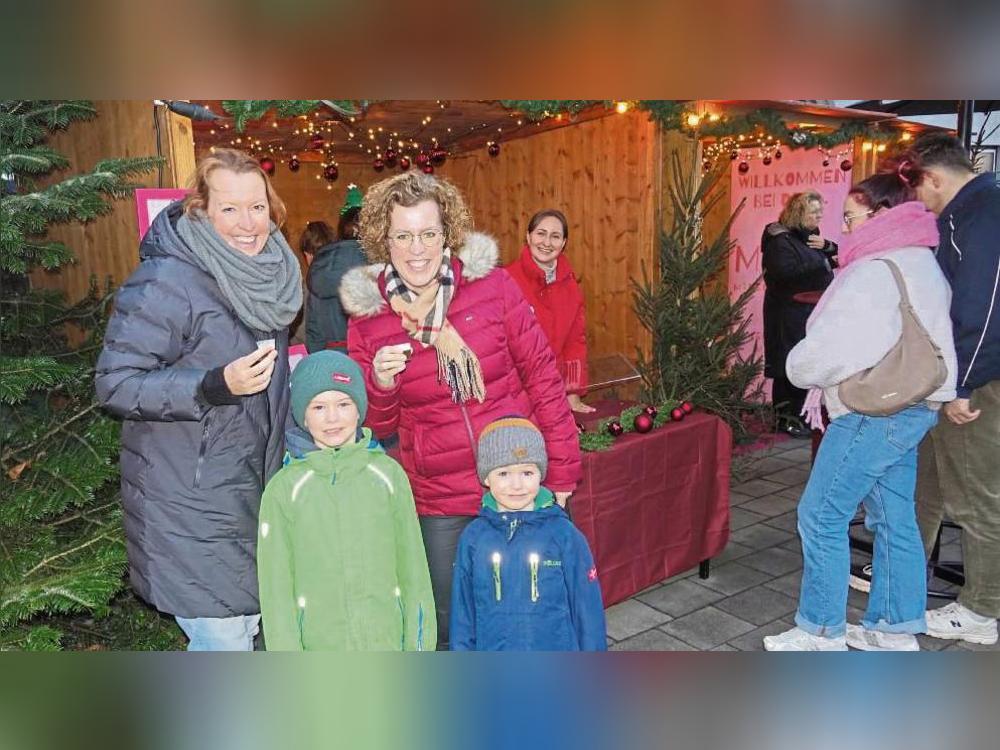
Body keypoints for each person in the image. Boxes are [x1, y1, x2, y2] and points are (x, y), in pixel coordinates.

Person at [339, 172, 582, 649]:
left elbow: (543, 378)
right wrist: (382, 384)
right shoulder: (369, 321)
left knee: (529, 614)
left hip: (516, 478)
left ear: (447, 233)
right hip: (438, 499)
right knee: (451, 625)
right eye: (402, 235)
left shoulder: (493, 288)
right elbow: (376, 426)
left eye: (428, 233)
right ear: (381, 240)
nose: (417, 249)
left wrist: (563, 472)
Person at [95, 148, 301, 651]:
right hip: (190, 500)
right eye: (229, 209)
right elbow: (115, 383)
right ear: (201, 209)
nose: (248, 223)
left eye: (257, 207)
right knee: (225, 640)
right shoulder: (168, 280)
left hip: (251, 493)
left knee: (247, 629)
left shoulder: (271, 276)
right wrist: (212, 385)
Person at [763, 169, 957, 651]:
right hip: (913, 406)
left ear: (883, 214)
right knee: (895, 517)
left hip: (874, 409)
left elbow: (832, 351)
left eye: (851, 218)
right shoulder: (921, 259)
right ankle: (895, 626)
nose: (844, 228)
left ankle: (821, 629)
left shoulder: (874, 269)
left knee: (820, 515)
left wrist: (796, 365)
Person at [256, 350, 435, 651]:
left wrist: (419, 644)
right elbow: (276, 589)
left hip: (385, 642)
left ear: (358, 408)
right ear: (303, 414)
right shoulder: (284, 490)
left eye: (343, 404)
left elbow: (414, 570)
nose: (332, 418)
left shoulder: (388, 476)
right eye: (318, 407)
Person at [907, 133, 1000, 646]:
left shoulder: (983, 213)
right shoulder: (971, 211)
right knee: (935, 487)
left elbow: (984, 310)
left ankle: (982, 609)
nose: (919, 202)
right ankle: (904, 581)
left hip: (977, 382)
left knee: (976, 497)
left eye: (918, 188)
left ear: (934, 178)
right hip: (960, 376)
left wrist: (963, 383)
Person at [450, 417, 606, 650]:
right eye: (503, 474)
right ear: (485, 477)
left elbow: (587, 610)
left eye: (527, 473)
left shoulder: (563, 534)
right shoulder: (473, 539)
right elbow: (463, 613)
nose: (517, 485)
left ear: (540, 474)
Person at [761, 191, 838, 437]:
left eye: (820, 212)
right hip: (786, 313)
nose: (819, 217)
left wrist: (827, 248)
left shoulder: (809, 237)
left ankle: (802, 415)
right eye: (814, 212)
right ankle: (784, 419)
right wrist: (821, 263)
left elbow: (834, 256)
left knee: (803, 364)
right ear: (799, 213)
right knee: (787, 366)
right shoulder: (779, 239)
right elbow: (783, 273)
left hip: (807, 313)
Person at [505, 209, 594, 413]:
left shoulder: (571, 287)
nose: (547, 242)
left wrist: (573, 394)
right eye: (540, 233)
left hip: (552, 394)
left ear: (563, 243)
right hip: (512, 396)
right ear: (528, 237)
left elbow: (574, 343)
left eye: (555, 236)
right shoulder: (505, 280)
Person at [305, 184, 367, 353]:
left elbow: (313, 331)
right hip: (371, 360)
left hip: (331, 360)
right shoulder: (378, 261)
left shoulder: (320, 264)